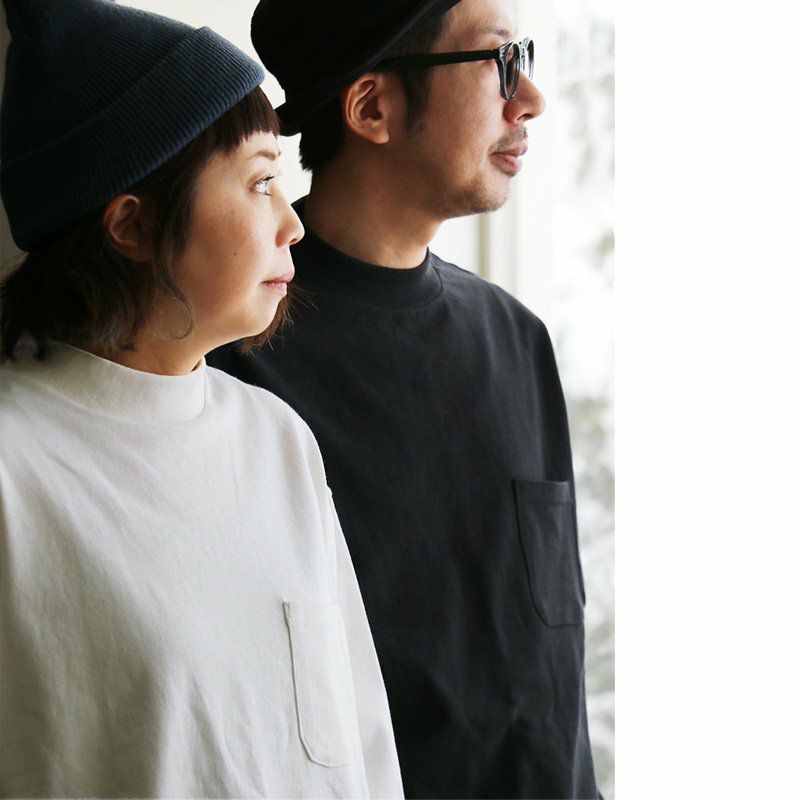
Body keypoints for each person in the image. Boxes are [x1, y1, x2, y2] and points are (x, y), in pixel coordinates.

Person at [0, 0, 403, 797]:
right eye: (260, 182)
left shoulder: (278, 437)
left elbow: (364, 746)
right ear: (131, 226)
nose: (292, 224)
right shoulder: (15, 464)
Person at [208, 0, 601, 797]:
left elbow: (552, 684)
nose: (529, 98)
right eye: (498, 61)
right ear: (372, 108)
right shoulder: (235, 367)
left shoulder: (517, 339)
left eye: (525, 56)